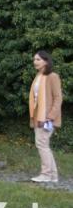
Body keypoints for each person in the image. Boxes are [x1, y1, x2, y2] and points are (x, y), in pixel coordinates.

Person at [28, 51, 62, 183]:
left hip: (47, 117)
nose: (35, 62)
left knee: (42, 144)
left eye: (38, 59)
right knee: (43, 144)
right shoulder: (38, 76)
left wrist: (51, 116)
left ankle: (46, 174)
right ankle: (53, 176)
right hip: (38, 116)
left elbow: (58, 98)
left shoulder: (53, 76)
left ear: (46, 61)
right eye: (34, 59)